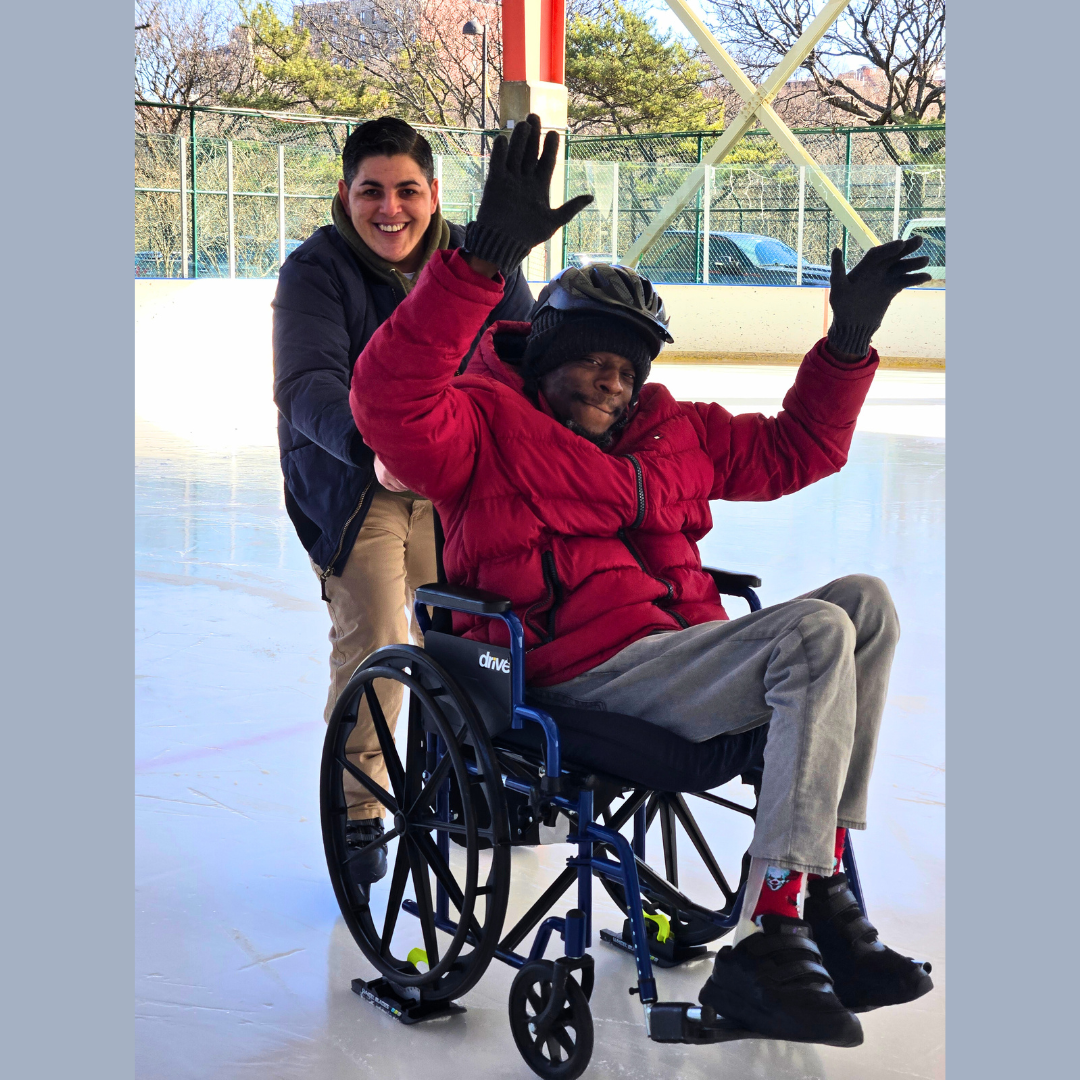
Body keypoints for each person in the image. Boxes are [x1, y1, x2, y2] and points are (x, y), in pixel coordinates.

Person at [350, 115, 934, 1046]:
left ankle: (818, 887)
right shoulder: (480, 428)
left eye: (626, 368)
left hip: (681, 656)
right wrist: (480, 262)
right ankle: (771, 935)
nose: (611, 381)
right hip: (576, 675)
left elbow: (800, 448)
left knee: (864, 602)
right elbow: (388, 399)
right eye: (591, 359)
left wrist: (847, 343)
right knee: (814, 633)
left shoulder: (677, 430)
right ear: (547, 357)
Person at [272, 117, 534, 885]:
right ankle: (360, 808)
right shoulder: (316, 272)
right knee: (383, 635)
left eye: (407, 191)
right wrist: (374, 448)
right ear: (345, 193)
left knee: (477, 632)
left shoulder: (481, 258)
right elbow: (305, 384)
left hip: (457, 479)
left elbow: (525, 354)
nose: (390, 209)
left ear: (435, 193)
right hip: (357, 481)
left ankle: (465, 773)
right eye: (372, 191)